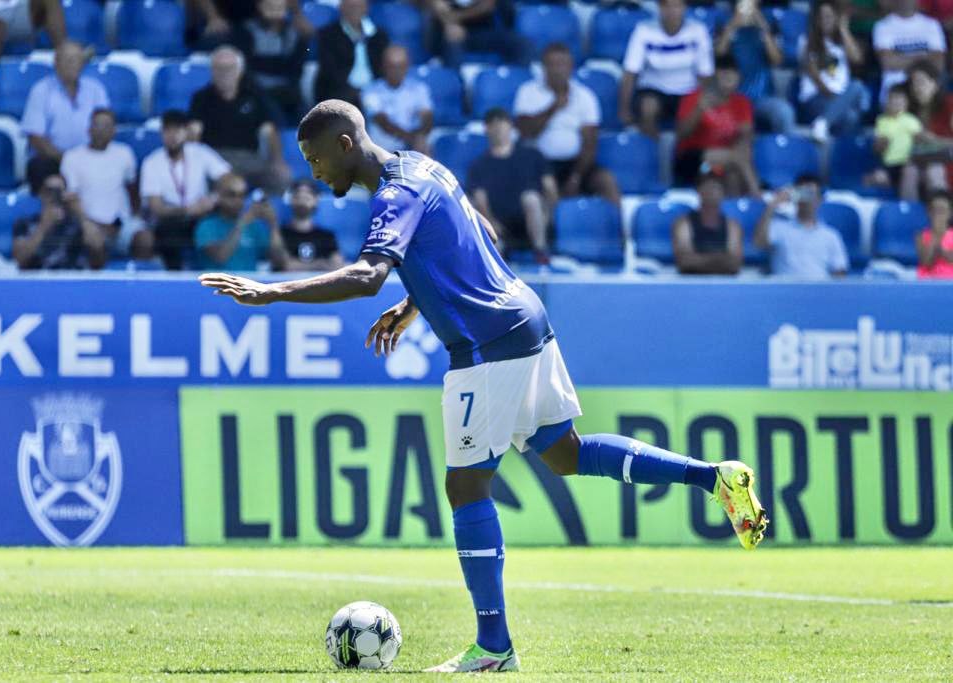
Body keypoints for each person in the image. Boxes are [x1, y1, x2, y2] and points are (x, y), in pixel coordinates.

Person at [199, 99, 769, 672]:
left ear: (345, 145)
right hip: (525, 319)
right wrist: (416, 301)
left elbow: (367, 275)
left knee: (466, 487)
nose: (314, 174)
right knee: (566, 454)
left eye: (316, 159)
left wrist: (271, 293)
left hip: (487, 346)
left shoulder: (392, 196)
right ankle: (714, 477)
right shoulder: (422, 167)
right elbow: (482, 234)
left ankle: (494, 647)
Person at [513, 43, 620, 205]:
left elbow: (590, 144)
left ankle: (618, 229)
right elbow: (525, 132)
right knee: (542, 186)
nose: (557, 70)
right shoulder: (528, 92)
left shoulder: (585, 96)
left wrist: (576, 178)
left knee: (607, 181)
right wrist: (554, 107)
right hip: (539, 164)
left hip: (576, 164)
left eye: (562, 65)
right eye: (552, 65)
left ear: (571, 67)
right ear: (543, 68)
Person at [188, 45, 291, 194]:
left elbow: (270, 132)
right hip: (214, 158)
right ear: (212, 71)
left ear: (239, 71)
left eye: (229, 68)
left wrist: (277, 160)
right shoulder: (201, 98)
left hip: (248, 158)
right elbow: (194, 134)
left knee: (281, 177)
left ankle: (262, 211)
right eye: (219, 68)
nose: (224, 73)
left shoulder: (254, 96)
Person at [140, 109, 231, 270]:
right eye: (168, 130)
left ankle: (215, 275)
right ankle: (173, 278)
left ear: (186, 132)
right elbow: (157, 208)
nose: (173, 136)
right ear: (162, 133)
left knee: (213, 225)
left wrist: (213, 198)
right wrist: (187, 210)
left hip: (201, 216)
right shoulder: (152, 162)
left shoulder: (200, 152)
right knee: (166, 233)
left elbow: (228, 178)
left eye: (178, 130)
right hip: (171, 219)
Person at [467, 107, 558, 263]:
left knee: (531, 198)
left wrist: (548, 215)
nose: (498, 128)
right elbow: (479, 200)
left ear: (511, 125)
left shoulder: (532, 155)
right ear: (486, 129)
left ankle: (540, 250)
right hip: (500, 229)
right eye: (493, 124)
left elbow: (550, 188)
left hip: (536, 223)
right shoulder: (479, 165)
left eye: (502, 122)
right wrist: (492, 224)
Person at [60, 109, 152, 261]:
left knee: (145, 239)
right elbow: (71, 198)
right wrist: (87, 223)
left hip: (122, 223)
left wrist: (134, 216)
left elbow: (132, 187)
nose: (102, 130)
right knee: (93, 241)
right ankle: (96, 284)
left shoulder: (124, 153)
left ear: (114, 131)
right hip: (90, 223)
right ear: (89, 129)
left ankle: (140, 282)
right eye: (98, 125)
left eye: (107, 126)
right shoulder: (72, 157)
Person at [21, 40, 109, 193]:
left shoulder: (95, 89)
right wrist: (67, 160)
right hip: (54, 160)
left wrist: (87, 157)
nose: (73, 64)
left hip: (90, 157)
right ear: (56, 63)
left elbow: (106, 124)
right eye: (68, 60)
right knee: (38, 166)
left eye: (77, 59)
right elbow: (35, 137)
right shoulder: (41, 90)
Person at [619, 0, 714, 139]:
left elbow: (706, 73)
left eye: (677, 6)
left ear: (684, 8)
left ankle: (679, 154)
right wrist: (624, 109)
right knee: (648, 108)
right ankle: (655, 153)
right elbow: (630, 72)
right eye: (666, 6)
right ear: (660, 8)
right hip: (654, 88)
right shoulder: (644, 30)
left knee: (697, 113)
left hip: (688, 90)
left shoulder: (698, 30)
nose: (672, 11)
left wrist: (707, 102)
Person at [674, 55, 759, 197]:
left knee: (733, 176)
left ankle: (734, 214)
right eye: (724, 74)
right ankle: (757, 196)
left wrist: (743, 133)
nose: (728, 80)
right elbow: (681, 134)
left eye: (732, 75)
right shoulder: (693, 98)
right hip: (694, 159)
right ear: (714, 76)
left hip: (725, 161)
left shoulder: (742, 103)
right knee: (737, 158)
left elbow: (746, 136)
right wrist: (699, 109)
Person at [714, 0, 795, 135]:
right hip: (731, 97)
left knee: (784, 112)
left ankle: (782, 152)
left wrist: (763, 28)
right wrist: (732, 26)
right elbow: (718, 56)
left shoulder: (769, 20)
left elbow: (777, 60)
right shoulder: (724, 19)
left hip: (762, 98)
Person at [754, 174, 849, 279]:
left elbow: (840, 271)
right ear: (795, 196)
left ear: (820, 199)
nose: (806, 200)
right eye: (802, 193)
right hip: (784, 290)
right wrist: (773, 205)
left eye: (811, 194)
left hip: (819, 291)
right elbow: (759, 243)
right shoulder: (779, 227)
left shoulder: (831, 236)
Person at [235, 0, 314, 125]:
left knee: (307, 116)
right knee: (274, 114)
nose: (274, 12)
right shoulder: (246, 31)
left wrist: (265, 62)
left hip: (287, 89)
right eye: (270, 7)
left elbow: (296, 66)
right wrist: (279, 63)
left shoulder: (294, 33)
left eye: (279, 8)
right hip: (257, 89)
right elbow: (247, 65)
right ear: (260, 7)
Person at [799, 0, 868, 142]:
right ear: (816, 20)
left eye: (830, 16)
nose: (826, 21)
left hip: (838, 98)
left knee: (852, 116)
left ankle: (824, 125)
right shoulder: (806, 41)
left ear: (837, 18)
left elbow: (857, 59)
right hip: (815, 98)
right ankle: (823, 122)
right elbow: (815, 77)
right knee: (857, 88)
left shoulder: (842, 43)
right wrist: (836, 99)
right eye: (822, 17)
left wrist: (844, 29)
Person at [12, 172, 106, 270]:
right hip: (40, 280)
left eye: (59, 191)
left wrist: (81, 214)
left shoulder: (81, 224)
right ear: (41, 194)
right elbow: (21, 260)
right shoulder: (24, 224)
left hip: (74, 279)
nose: (54, 196)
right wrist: (43, 226)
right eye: (49, 191)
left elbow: (99, 258)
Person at [873, 83, 946, 200]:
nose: (896, 103)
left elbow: (924, 137)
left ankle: (913, 207)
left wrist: (939, 141)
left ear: (906, 103)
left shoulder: (910, 120)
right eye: (892, 100)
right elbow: (877, 148)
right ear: (886, 102)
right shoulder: (881, 121)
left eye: (900, 100)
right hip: (889, 165)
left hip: (907, 163)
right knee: (878, 177)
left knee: (912, 171)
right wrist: (881, 143)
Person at [195, 172, 277, 272]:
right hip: (218, 285)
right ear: (218, 196)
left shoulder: (254, 226)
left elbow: (278, 260)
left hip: (249, 285)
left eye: (242, 195)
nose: (238, 200)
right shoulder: (206, 226)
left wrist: (273, 225)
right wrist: (242, 224)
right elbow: (220, 257)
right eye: (232, 195)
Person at [313, 0, 389, 107]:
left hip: (374, 90)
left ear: (366, 8)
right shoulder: (328, 35)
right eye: (351, 7)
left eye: (359, 6)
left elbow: (382, 68)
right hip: (340, 91)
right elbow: (330, 70)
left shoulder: (379, 35)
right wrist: (357, 92)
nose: (355, 11)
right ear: (341, 8)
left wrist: (371, 90)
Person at [362, 45, 433, 154]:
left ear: (407, 66)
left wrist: (421, 136)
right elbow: (383, 122)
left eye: (401, 66)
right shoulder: (371, 91)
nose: (396, 71)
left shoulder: (419, 88)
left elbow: (427, 117)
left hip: (413, 147)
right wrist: (412, 139)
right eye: (392, 66)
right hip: (383, 152)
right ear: (384, 66)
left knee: (426, 146)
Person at [672, 168, 744, 274]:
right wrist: (720, 259)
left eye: (715, 188)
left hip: (726, 284)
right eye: (706, 188)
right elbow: (684, 261)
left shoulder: (732, 226)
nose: (710, 193)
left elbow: (734, 263)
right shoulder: (683, 224)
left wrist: (699, 260)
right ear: (699, 192)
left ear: (723, 193)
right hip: (690, 282)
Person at [872, 0, 946, 103]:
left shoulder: (932, 24)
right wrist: (923, 57)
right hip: (896, 88)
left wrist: (900, 58)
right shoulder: (883, 26)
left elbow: (938, 64)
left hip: (928, 87)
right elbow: (888, 63)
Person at [425, 0, 528, 67]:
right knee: (453, 42)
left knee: (519, 43)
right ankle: (459, 91)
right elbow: (438, 7)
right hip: (448, 31)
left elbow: (488, 5)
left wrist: (457, 17)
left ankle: (521, 85)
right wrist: (450, 24)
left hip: (481, 30)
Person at [271, 178, 344, 271]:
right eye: (298, 195)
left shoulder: (326, 236)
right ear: (291, 199)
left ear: (316, 200)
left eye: (307, 196)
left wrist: (298, 265)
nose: (302, 199)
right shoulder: (281, 234)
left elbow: (337, 266)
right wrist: (319, 265)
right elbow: (283, 266)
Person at [908, 59, 953, 187]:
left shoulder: (949, 104)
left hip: (947, 160)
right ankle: (907, 207)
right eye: (913, 83)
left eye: (921, 82)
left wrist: (935, 140)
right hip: (924, 160)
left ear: (935, 84)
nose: (916, 88)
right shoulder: (911, 112)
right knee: (910, 170)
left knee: (934, 169)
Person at [917, 189, 953, 277]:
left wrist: (941, 251)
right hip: (928, 282)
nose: (939, 215)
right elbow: (926, 262)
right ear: (929, 212)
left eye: (942, 210)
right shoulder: (921, 236)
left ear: (950, 213)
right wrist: (936, 235)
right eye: (935, 210)